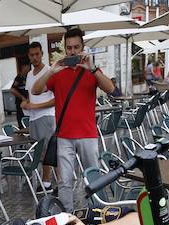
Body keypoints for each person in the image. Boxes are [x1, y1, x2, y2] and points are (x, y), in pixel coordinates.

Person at [30, 28, 114, 211]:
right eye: (69, 48)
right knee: (64, 181)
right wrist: (50, 71)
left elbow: (111, 89)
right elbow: (35, 91)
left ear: (83, 47)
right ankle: (67, 219)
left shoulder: (92, 72)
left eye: (76, 47)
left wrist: (92, 69)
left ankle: (98, 213)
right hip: (65, 136)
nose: (73, 51)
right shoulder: (58, 73)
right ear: (65, 49)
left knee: (94, 177)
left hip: (88, 134)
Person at [22, 41, 58, 195]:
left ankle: (52, 183)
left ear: (43, 54)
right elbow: (32, 97)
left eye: (37, 54)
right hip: (33, 118)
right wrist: (26, 103)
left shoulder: (50, 72)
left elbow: (57, 99)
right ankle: (49, 182)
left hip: (47, 117)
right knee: (40, 152)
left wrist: (34, 107)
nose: (35, 57)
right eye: (32, 55)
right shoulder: (29, 74)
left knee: (49, 151)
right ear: (29, 56)